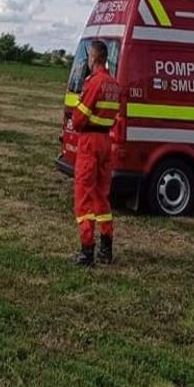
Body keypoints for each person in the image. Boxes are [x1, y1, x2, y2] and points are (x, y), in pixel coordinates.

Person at [71, 40, 121, 266]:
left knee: (84, 196)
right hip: (105, 142)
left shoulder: (94, 83)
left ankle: (87, 251)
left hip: (89, 142)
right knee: (102, 195)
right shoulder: (114, 84)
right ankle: (106, 248)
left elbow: (79, 118)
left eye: (90, 56)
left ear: (95, 57)